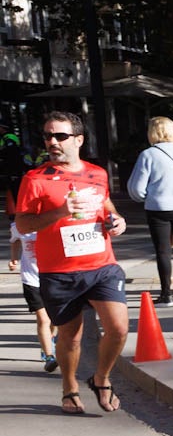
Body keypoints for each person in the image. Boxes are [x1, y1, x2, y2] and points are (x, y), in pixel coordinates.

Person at [13, 111, 130, 414]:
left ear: (78, 139)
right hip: (59, 272)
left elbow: (105, 205)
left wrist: (117, 220)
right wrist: (60, 212)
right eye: (47, 136)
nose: (52, 141)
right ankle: (69, 387)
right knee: (71, 337)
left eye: (60, 136)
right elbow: (24, 225)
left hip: (101, 265)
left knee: (118, 328)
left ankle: (101, 378)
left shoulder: (97, 173)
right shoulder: (34, 179)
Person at [126, 116, 173, 306]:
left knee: (163, 252)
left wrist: (147, 196)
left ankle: (167, 295)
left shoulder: (148, 155)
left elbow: (136, 188)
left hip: (158, 208)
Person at [9, 219, 57, 372]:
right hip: (31, 279)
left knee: (54, 319)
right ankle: (49, 356)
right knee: (43, 319)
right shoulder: (19, 225)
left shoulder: (53, 222)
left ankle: (48, 342)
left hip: (53, 278)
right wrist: (14, 258)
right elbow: (15, 240)